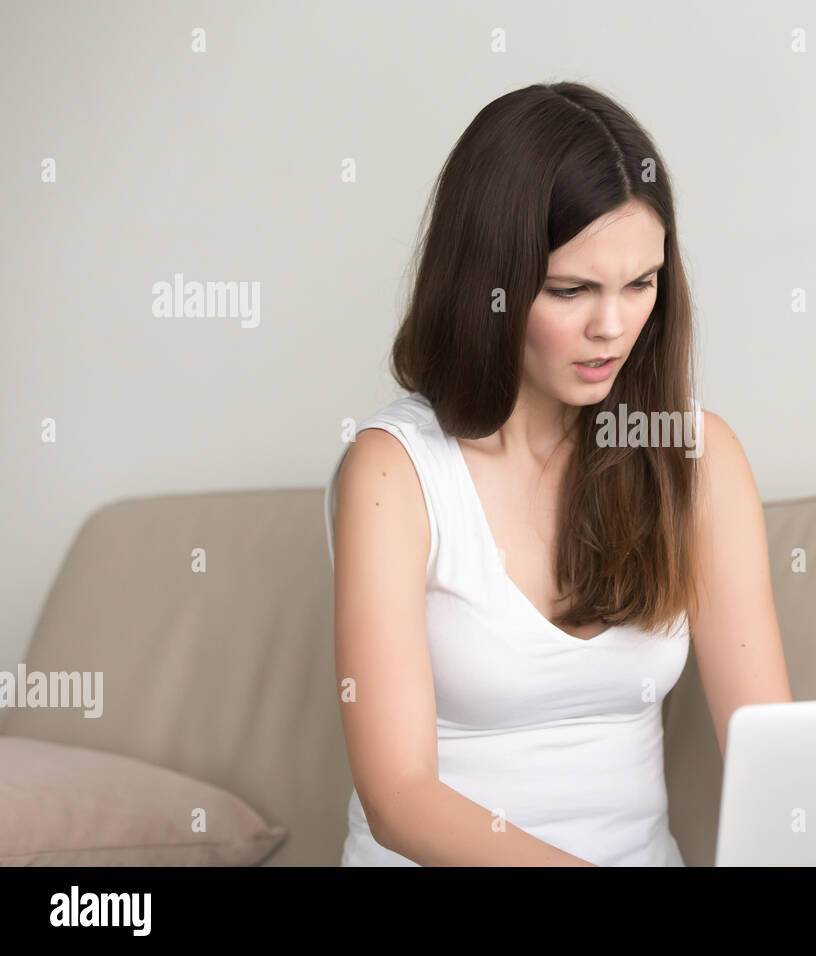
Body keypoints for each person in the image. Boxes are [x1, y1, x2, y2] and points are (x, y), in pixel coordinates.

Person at [324, 81, 792, 866]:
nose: (612, 326)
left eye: (641, 284)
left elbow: (773, 756)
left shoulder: (696, 457)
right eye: (571, 290)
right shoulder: (394, 473)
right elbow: (400, 795)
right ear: (490, 288)